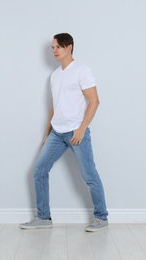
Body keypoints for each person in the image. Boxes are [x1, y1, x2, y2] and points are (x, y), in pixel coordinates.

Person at [20, 33, 108, 232]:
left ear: (69, 47)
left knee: (89, 175)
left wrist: (82, 129)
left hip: (76, 132)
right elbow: (55, 104)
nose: (54, 51)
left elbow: (94, 101)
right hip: (57, 133)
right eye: (52, 47)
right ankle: (43, 217)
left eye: (58, 47)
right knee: (39, 170)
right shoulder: (55, 75)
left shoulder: (82, 70)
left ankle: (101, 218)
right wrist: (47, 131)